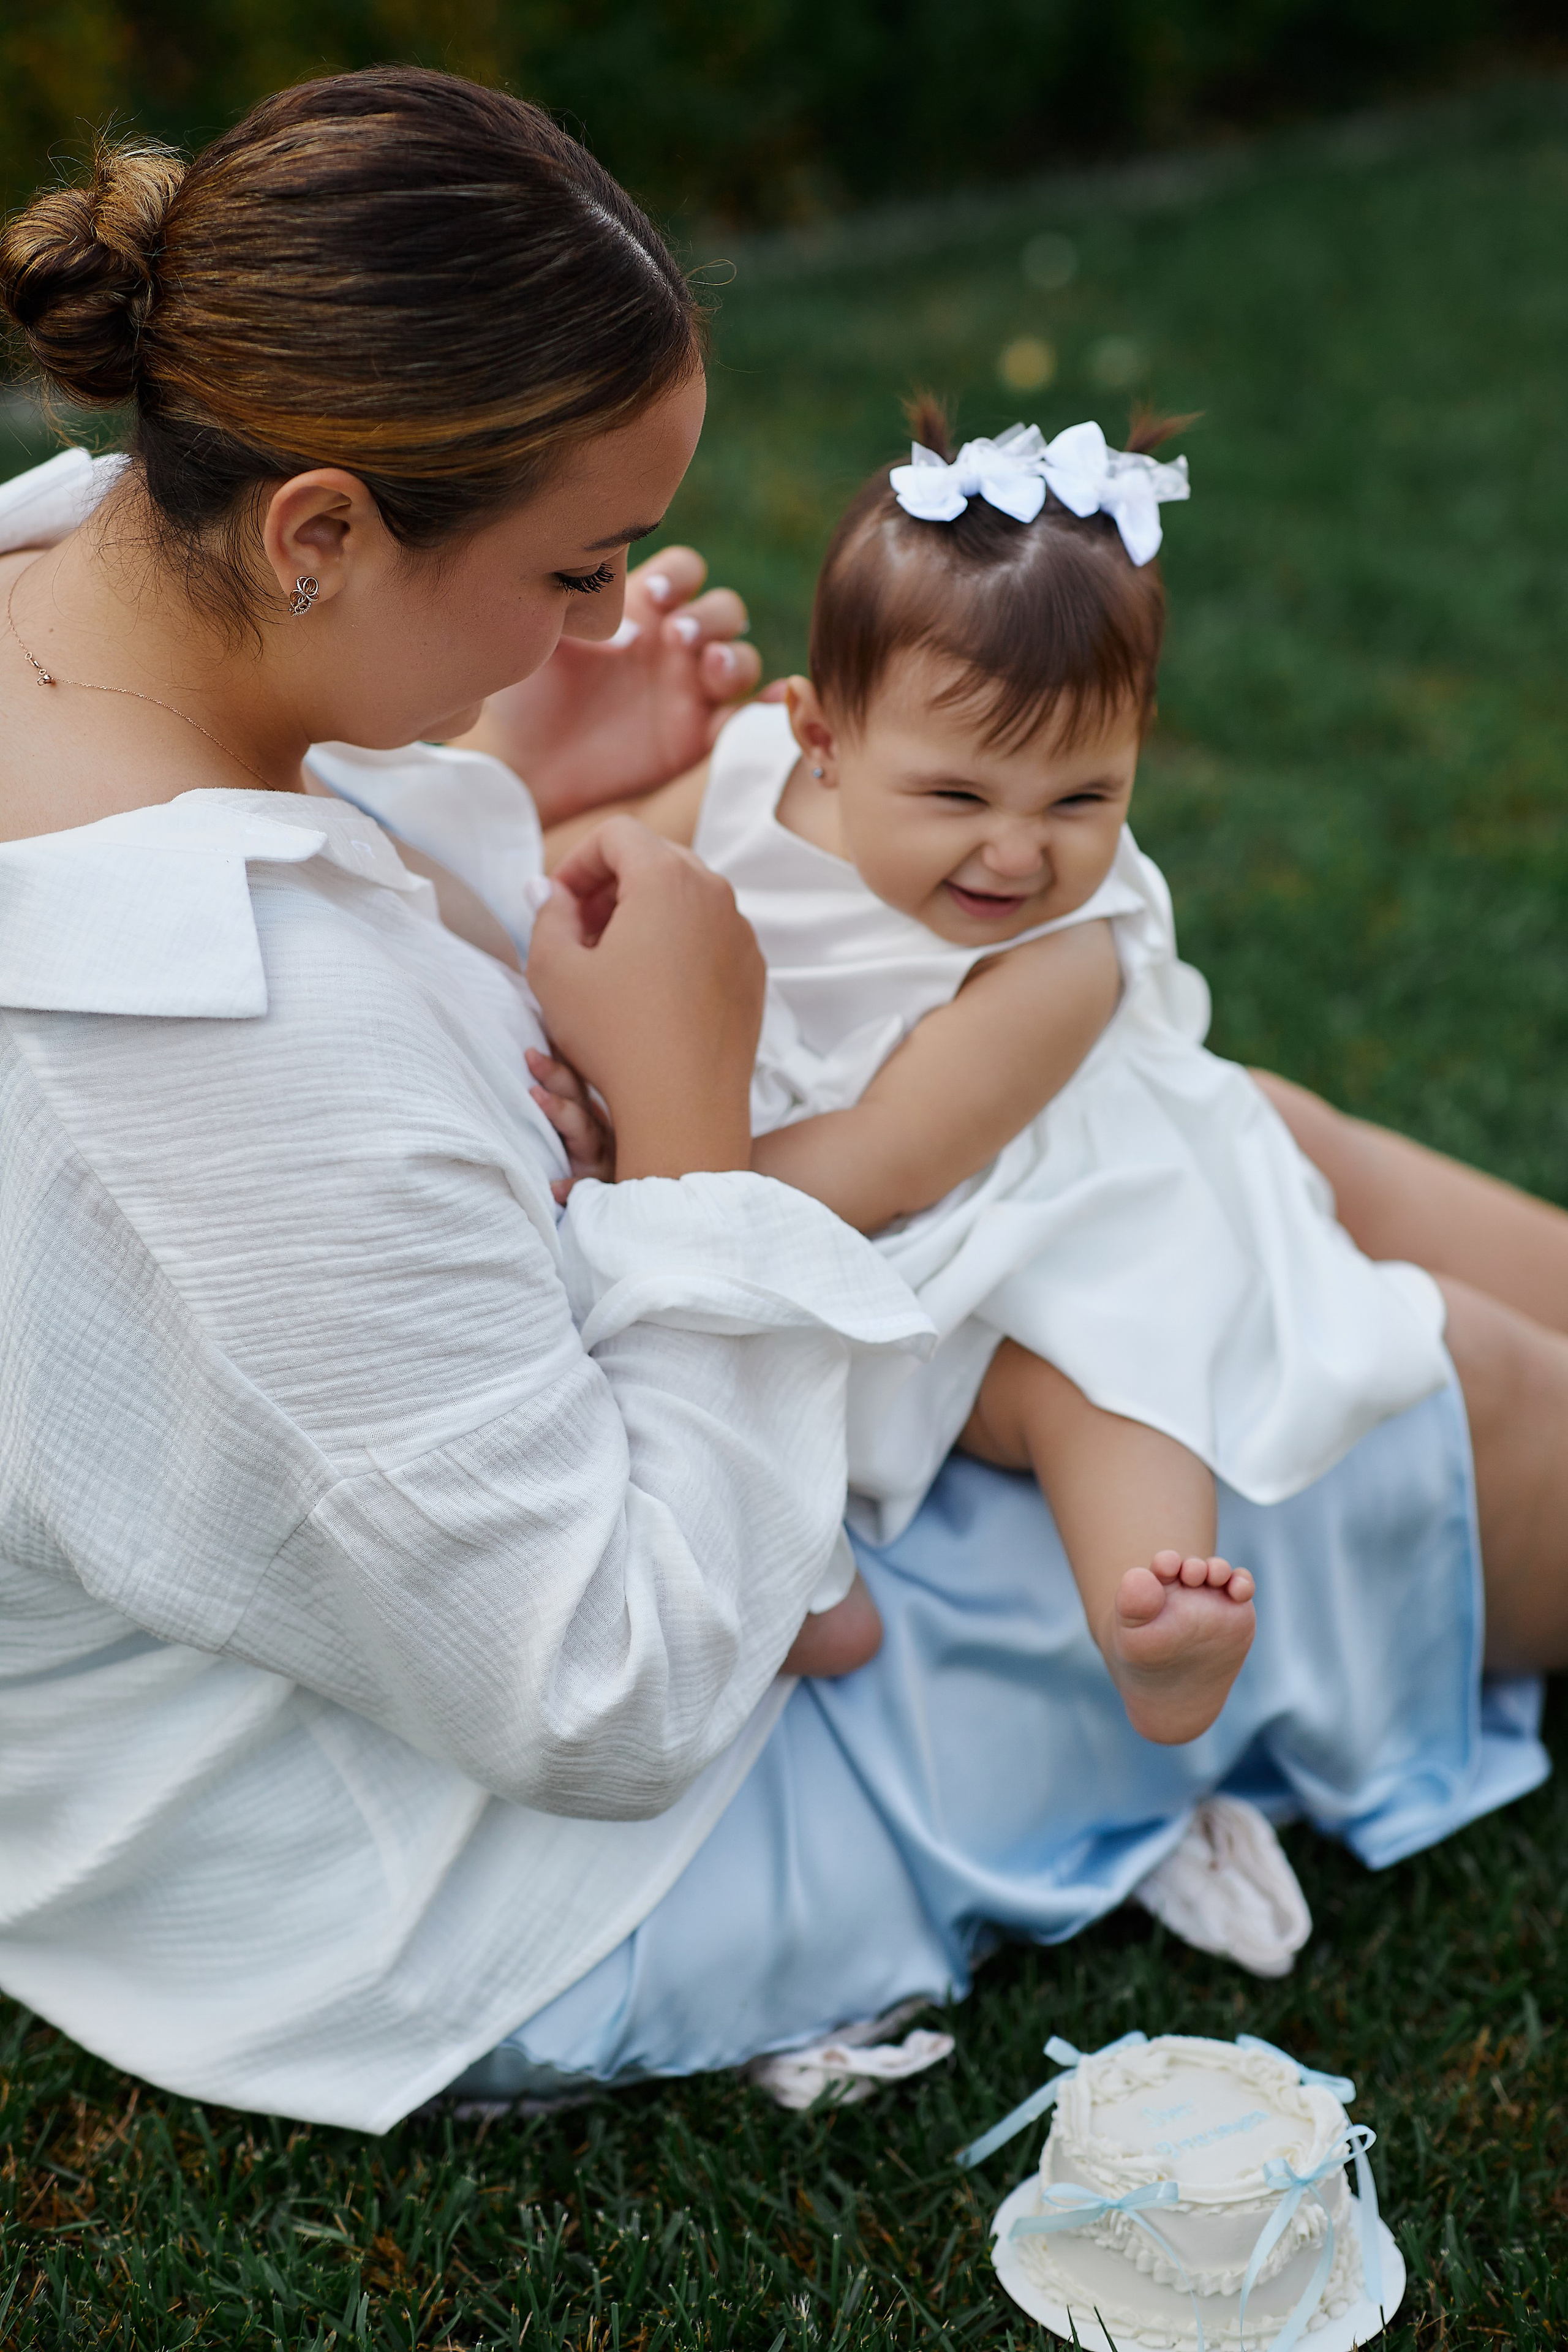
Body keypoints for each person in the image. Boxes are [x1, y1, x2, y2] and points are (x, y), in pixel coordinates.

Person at [2, 70, 1567, 2134]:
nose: (610, 607)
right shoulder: (184, 1064)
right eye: (581, 566)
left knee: (1217, 1129)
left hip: (497, 1499)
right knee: (1406, 1382)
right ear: (321, 531)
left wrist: (505, 761)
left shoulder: (80, 566)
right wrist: (689, 1115)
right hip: (484, 1864)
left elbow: (334, 886)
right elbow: (618, 1685)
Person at [532, 402, 1449, 1746]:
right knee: (632, 1324)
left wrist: (650, 1174)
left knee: (1104, 1372)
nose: (1019, 856)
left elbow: (894, 1155)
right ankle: (787, 1578)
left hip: (1011, 1198)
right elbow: (575, 863)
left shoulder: (1066, 958)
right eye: (958, 799)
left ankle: (1150, 1614)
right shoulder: (743, 774)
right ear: (820, 734)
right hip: (777, 1159)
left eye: (1082, 800)